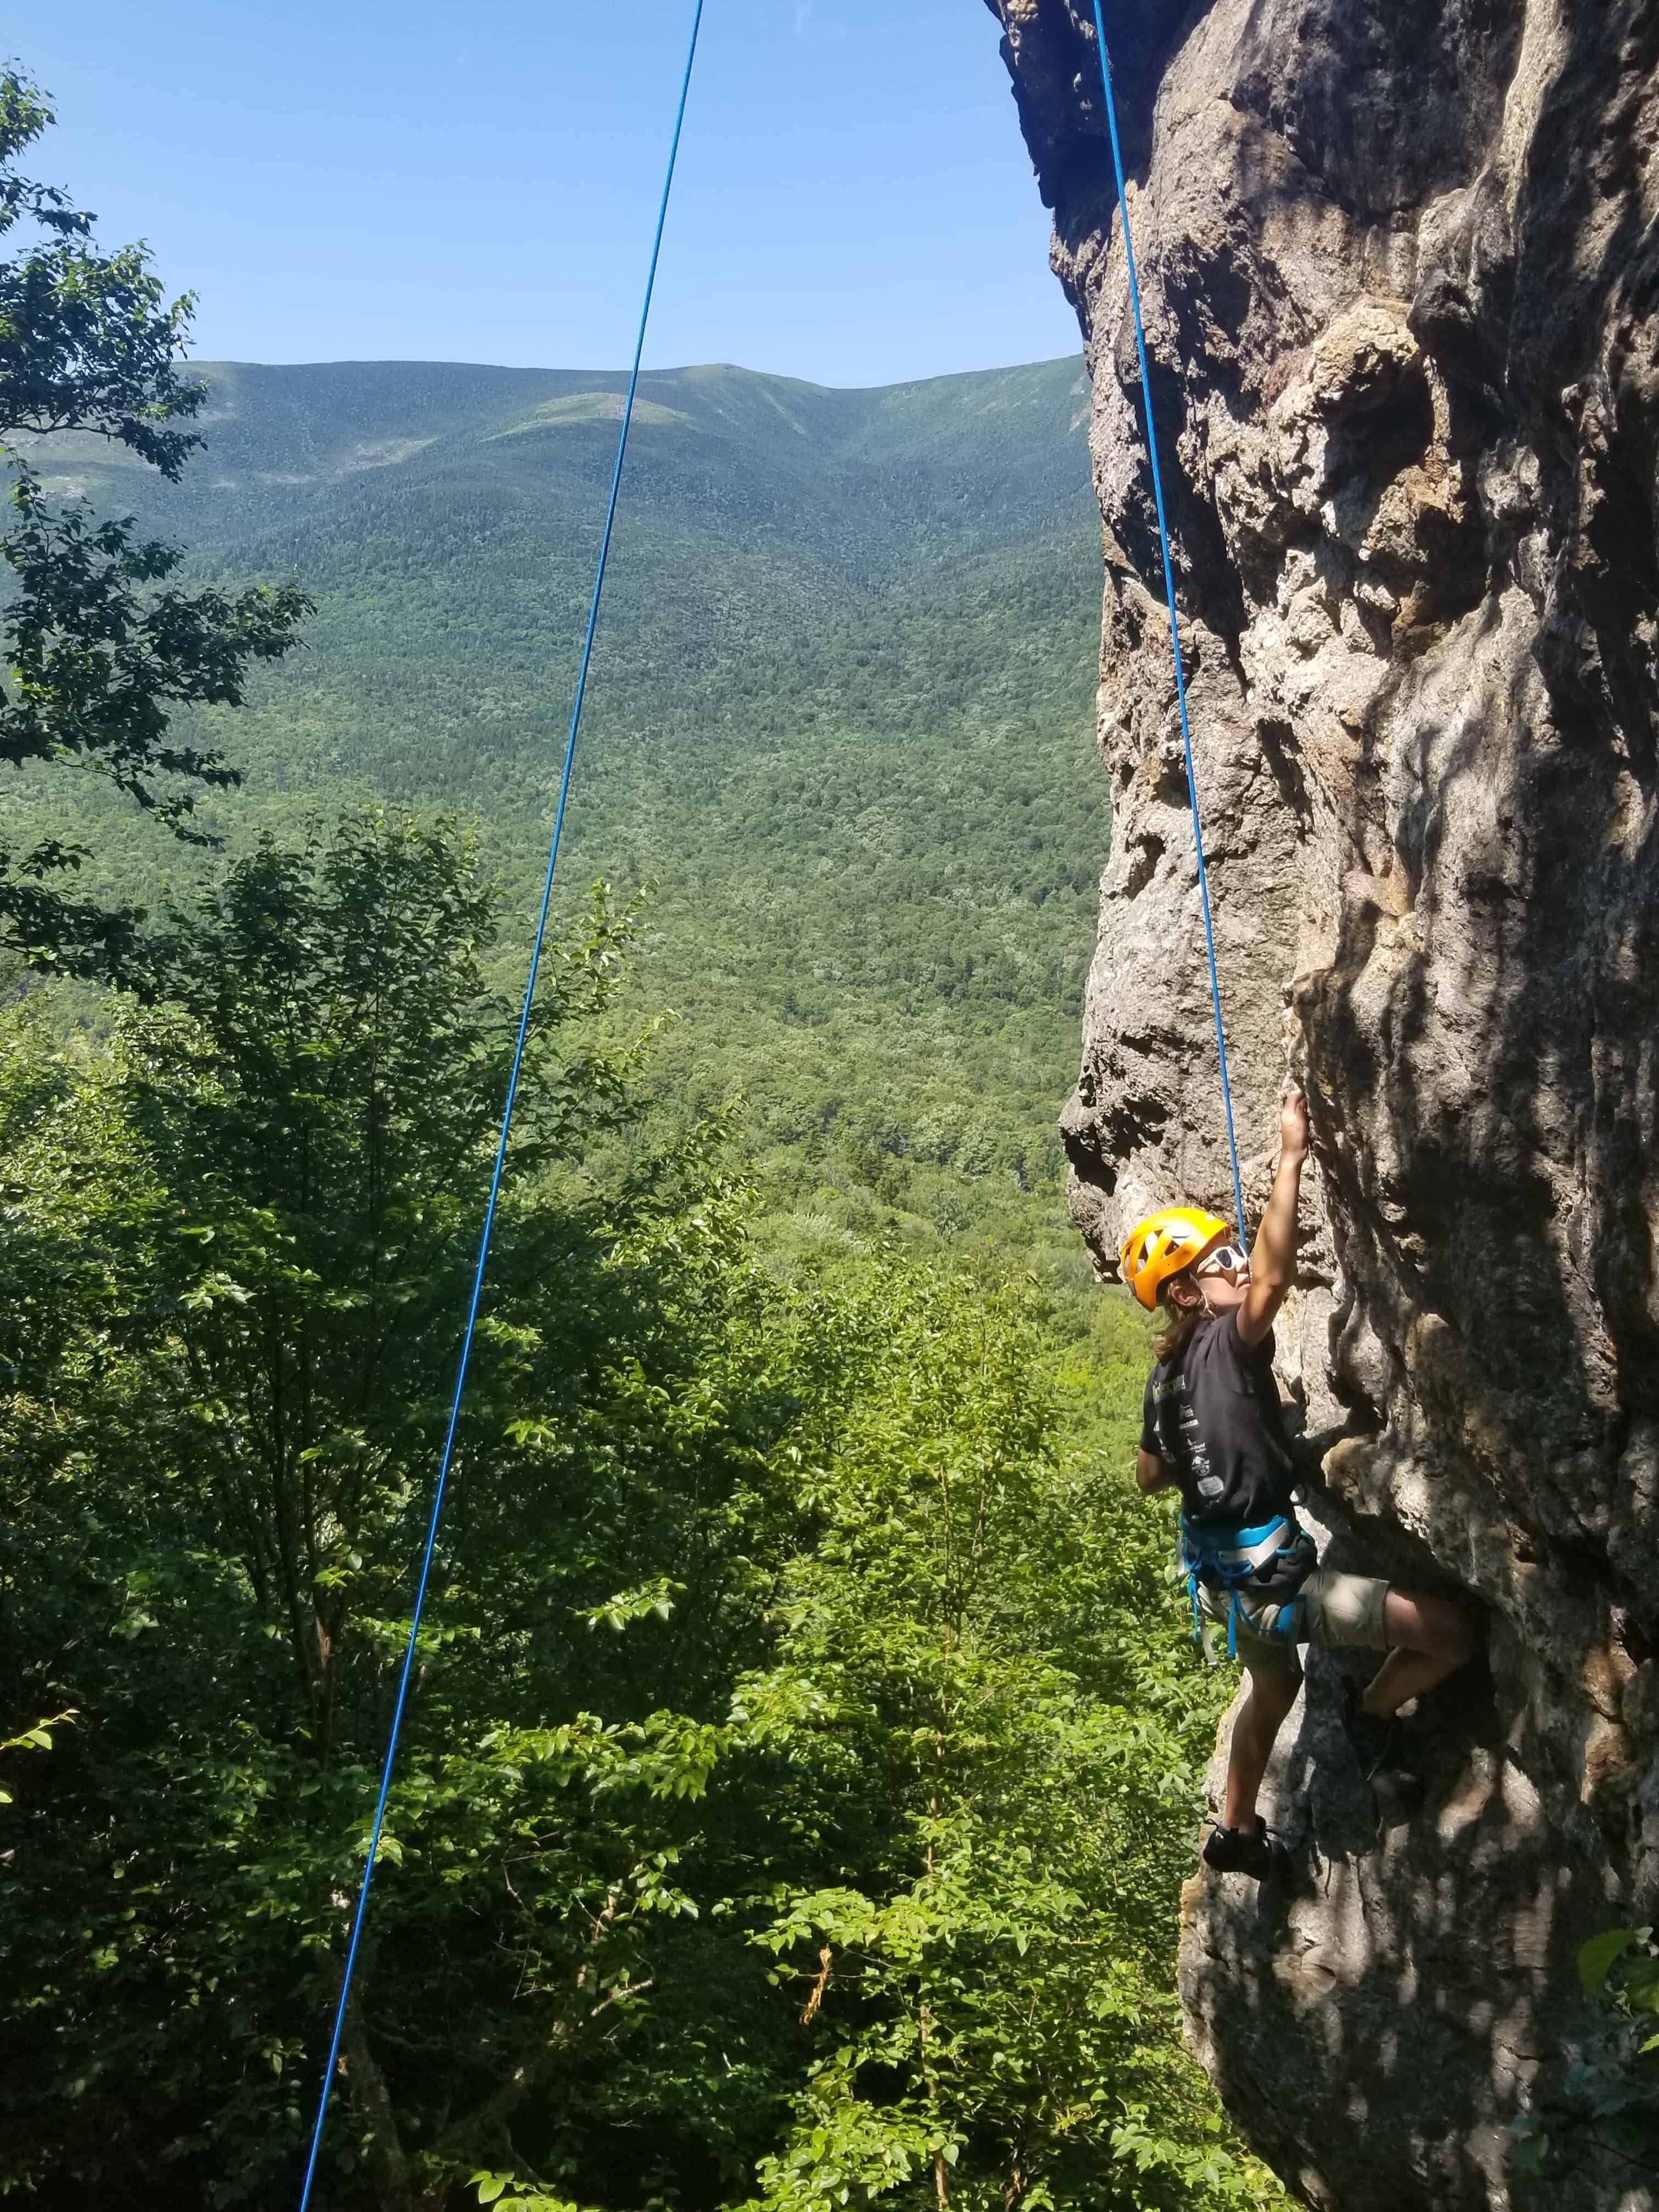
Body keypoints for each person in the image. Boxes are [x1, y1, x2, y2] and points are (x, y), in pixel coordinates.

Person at [1122, 1085, 1477, 1883]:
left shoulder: (1167, 1373)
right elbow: (1275, 1284)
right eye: (1219, 1261)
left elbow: (1148, 1476)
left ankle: (1236, 1829)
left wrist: (1214, 1439)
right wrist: (1291, 1155)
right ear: (1187, 1292)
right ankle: (1375, 1710)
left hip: (1216, 1582)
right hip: (1277, 1586)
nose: (1236, 1262)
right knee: (1451, 1634)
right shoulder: (1225, 1341)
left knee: (1272, 1684)